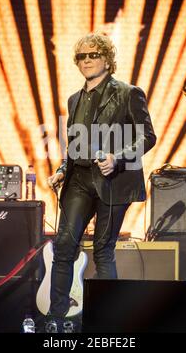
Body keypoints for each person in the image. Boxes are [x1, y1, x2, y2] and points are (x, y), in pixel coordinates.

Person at [46, 32, 156, 332]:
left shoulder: (128, 92)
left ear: (107, 60)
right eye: (81, 56)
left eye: (93, 55)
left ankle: (108, 321)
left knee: (103, 251)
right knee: (64, 246)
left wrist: (116, 158)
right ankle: (56, 319)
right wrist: (61, 168)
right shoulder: (74, 99)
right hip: (79, 180)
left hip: (113, 181)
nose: (87, 61)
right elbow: (73, 143)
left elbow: (147, 136)